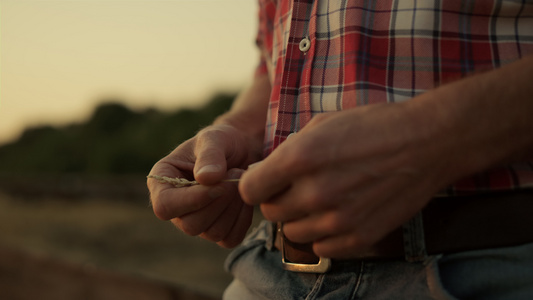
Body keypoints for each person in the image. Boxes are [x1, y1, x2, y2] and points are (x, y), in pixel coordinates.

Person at [148, 1, 533, 299]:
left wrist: (429, 138)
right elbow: (273, 66)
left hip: (493, 268)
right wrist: (237, 131)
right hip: (266, 275)